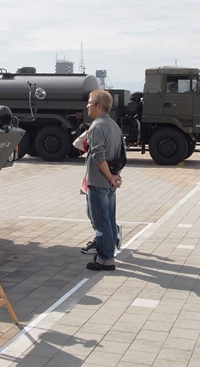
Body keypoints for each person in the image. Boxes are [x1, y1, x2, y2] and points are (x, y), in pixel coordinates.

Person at [83, 89, 124, 271]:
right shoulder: (114, 126)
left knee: (101, 222)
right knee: (108, 218)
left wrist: (109, 176)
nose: (87, 106)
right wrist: (115, 176)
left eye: (90, 103)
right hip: (109, 183)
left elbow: (99, 156)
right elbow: (121, 155)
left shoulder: (96, 127)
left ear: (99, 105)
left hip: (99, 182)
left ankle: (105, 258)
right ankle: (108, 253)